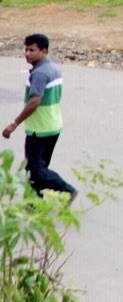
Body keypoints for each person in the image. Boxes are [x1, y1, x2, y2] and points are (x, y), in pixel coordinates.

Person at [3, 34, 76, 199]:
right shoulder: (52, 68)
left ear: (43, 51)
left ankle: (67, 191)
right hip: (53, 125)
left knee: (35, 169)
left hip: (40, 129)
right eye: (26, 49)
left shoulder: (40, 73)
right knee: (38, 169)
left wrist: (14, 124)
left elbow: (34, 101)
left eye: (32, 50)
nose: (27, 53)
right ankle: (34, 202)